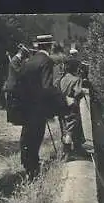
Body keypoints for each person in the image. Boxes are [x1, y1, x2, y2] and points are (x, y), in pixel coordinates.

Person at [18, 35, 64, 180]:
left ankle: (27, 169)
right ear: (50, 47)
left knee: (27, 138)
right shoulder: (46, 61)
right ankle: (34, 173)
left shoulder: (29, 61)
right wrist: (61, 96)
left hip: (26, 107)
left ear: (38, 46)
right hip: (38, 108)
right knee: (36, 138)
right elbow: (46, 87)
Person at [58, 58, 85, 159]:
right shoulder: (76, 79)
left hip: (62, 106)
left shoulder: (62, 79)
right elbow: (78, 92)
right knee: (71, 129)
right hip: (72, 106)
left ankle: (66, 151)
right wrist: (81, 93)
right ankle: (68, 153)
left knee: (65, 128)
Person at [4, 43, 31, 126]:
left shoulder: (17, 60)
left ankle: (17, 119)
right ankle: (14, 119)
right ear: (22, 53)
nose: (25, 57)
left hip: (16, 84)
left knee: (17, 103)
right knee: (13, 103)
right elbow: (19, 72)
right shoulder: (15, 60)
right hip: (13, 85)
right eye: (24, 55)